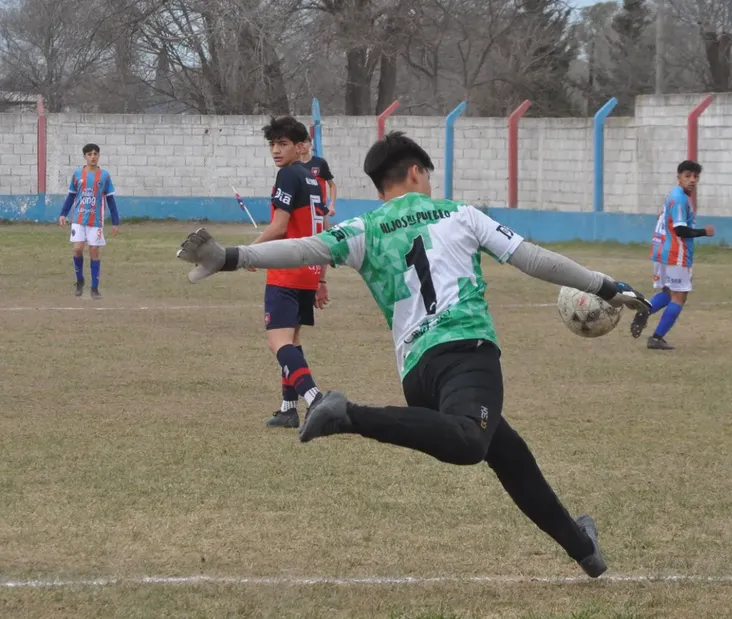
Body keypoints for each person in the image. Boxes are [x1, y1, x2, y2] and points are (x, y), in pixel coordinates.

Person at [177, 131, 653, 578]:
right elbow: (533, 258)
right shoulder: (458, 213)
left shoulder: (363, 227)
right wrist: (606, 286)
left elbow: (304, 249)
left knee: (508, 454)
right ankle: (347, 415)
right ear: (417, 173)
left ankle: (583, 549)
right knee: (470, 443)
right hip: (467, 350)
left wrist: (233, 256)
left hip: (418, 374)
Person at [253, 116, 328, 429]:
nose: (276, 150)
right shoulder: (313, 178)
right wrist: (321, 278)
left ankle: (315, 398)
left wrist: (250, 251)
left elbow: (280, 226)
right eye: (272, 144)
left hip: (287, 269)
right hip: (308, 269)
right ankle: (288, 409)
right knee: (292, 341)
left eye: (282, 144)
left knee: (277, 342)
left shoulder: (287, 175)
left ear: (300, 146)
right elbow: (323, 230)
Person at [629, 160, 715, 350]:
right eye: (687, 176)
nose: (692, 180)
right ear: (679, 177)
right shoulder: (680, 199)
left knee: (668, 293)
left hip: (662, 250)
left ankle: (645, 311)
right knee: (679, 296)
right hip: (676, 253)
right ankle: (656, 338)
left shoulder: (674, 195)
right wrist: (704, 232)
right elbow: (680, 230)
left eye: (695, 176)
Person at [57, 143, 120, 299]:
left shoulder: (104, 176)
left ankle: (94, 288)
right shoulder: (77, 174)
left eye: (95, 154)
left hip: (96, 221)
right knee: (77, 249)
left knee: (94, 251)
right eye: (90, 154)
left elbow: (111, 200)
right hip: (78, 218)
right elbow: (71, 195)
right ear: (85, 156)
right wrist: (63, 213)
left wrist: (115, 221)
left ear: (98, 156)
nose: (93, 157)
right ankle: (79, 281)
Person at [302, 137, 337, 220]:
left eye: (305, 141)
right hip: (301, 209)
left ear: (310, 144)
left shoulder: (320, 162)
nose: (302, 145)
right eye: (299, 142)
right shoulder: (293, 165)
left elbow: (332, 185)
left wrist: (331, 204)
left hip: (320, 209)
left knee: (325, 232)